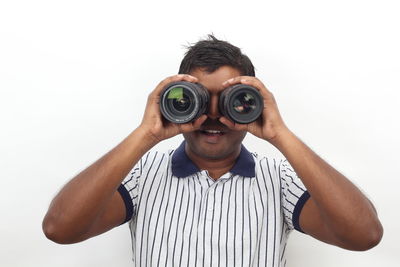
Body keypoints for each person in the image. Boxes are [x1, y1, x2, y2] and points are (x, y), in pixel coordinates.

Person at [42, 35, 383, 266]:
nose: (214, 116)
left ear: (254, 106)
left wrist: (280, 134)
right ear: (175, 101)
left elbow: (364, 236)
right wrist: (146, 134)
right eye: (198, 99)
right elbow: (60, 229)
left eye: (236, 101)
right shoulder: (143, 175)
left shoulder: (278, 180)